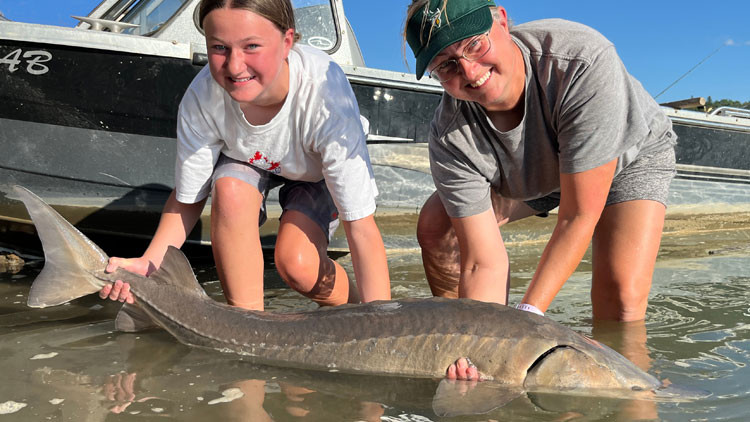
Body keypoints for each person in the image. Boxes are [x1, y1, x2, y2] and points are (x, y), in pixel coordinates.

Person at [403, 0, 676, 378]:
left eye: (474, 44)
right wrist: (478, 346)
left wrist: (527, 320)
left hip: (626, 159)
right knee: (438, 224)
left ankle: (636, 395)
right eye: (446, 65)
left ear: (500, 19)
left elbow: (579, 214)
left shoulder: (581, 59)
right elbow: (483, 261)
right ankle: (451, 346)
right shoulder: (449, 135)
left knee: (622, 302)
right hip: (533, 176)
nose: (468, 70)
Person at [100, 0, 391, 311]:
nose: (235, 66)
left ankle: (355, 308)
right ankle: (247, 322)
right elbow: (188, 198)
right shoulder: (201, 99)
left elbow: (360, 227)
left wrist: (383, 319)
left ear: (286, 42)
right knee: (230, 190)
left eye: (252, 46)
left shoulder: (327, 98)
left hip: (315, 170)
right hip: (247, 158)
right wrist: (150, 263)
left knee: (297, 264)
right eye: (219, 48)